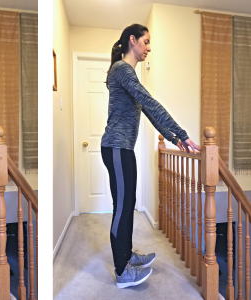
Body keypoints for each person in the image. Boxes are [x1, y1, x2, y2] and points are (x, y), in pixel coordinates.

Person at [101, 24, 200, 289]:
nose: (149, 47)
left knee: (127, 203)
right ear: (132, 41)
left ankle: (127, 255)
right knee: (122, 207)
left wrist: (175, 137)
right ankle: (122, 271)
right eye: (145, 41)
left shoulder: (126, 73)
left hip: (122, 148)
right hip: (116, 147)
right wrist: (180, 131)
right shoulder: (123, 69)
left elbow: (147, 110)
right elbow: (152, 102)